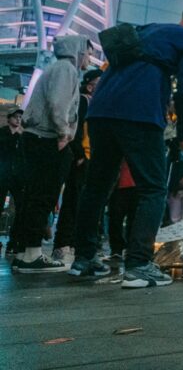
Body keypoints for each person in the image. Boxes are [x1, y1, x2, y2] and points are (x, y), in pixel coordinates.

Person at [69, 4, 183, 287]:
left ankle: (83, 258)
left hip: (101, 110)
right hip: (139, 112)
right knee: (154, 187)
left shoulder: (149, 30)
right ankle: (138, 264)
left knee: (97, 186)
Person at [12, 36, 91, 273]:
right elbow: (59, 105)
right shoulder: (66, 70)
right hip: (47, 138)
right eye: (87, 52)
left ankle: (25, 252)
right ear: (77, 52)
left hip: (38, 137)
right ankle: (32, 254)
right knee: (44, 195)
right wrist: (64, 133)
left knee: (34, 195)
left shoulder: (56, 68)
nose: (89, 57)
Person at [52, 69, 102, 263]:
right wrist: (80, 154)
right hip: (82, 157)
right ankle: (63, 245)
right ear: (90, 85)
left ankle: (72, 244)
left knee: (81, 203)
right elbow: (76, 125)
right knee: (73, 201)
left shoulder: (94, 102)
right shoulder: (83, 100)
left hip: (89, 157)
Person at [0, 107, 24, 254]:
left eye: (20, 117)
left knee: (21, 206)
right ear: (9, 118)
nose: (18, 119)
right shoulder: (2, 133)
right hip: (2, 174)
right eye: (15, 117)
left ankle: (14, 241)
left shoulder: (22, 137)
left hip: (16, 176)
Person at [107, 160, 139, 261]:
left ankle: (124, 249)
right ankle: (118, 249)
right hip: (120, 184)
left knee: (131, 219)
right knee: (116, 218)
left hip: (133, 184)